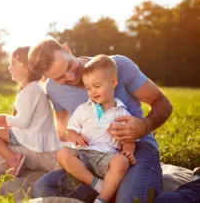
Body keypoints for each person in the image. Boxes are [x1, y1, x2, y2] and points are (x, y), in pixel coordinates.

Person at [28, 37, 173, 203]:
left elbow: (163, 103)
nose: (70, 76)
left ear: (67, 50)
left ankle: (193, 188)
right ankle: (109, 190)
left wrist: (144, 126)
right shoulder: (53, 89)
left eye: (69, 66)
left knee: (129, 200)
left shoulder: (117, 66)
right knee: (43, 188)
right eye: (60, 78)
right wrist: (74, 145)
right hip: (93, 155)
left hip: (136, 149)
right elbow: (62, 130)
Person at [57, 55, 136, 203]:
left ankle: (102, 199)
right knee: (62, 153)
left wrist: (128, 151)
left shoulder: (121, 113)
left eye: (97, 86)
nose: (92, 91)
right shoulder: (83, 109)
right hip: (83, 154)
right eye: (88, 88)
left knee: (121, 162)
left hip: (105, 158)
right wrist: (75, 137)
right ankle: (97, 184)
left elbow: (129, 139)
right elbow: (71, 130)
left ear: (113, 82)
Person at [0, 46, 60, 177]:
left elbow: (23, 122)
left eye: (13, 63)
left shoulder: (31, 90)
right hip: (30, 135)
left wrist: (4, 118)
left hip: (29, 137)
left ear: (26, 67)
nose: (9, 67)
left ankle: (13, 159)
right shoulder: (32, 88)